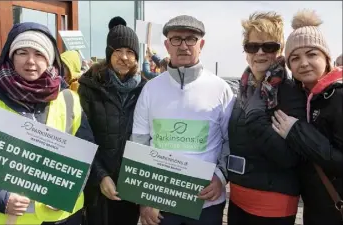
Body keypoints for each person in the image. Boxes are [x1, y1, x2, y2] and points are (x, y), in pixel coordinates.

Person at [0, 22, 94, 225]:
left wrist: (68, 191)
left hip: (63, 218)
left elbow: (84, 155)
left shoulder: (69, 99)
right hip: (9, 218)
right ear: (10, 55)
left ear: (51, 58)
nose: (31, 62)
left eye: (39, 54)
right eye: (22, 52)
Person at [131, 15, 235, 225]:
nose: (184, 45)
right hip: (160, 203)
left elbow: (230, 141)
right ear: (167, 45)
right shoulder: (150, 89)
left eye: (191, 39)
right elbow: (139, 144)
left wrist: (221, 178)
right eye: (176, 39)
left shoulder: (221, 89)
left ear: (201, 44)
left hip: (207, 202)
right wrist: (144, 199)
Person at [226, 12, 306, 225]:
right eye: (252, 47)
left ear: (279, 50)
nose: (259, 53)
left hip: (273, 208)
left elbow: (290, 158)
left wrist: (256, 119)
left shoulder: (291, 93)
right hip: (237, 201)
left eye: (268, 46)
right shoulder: (242, 92)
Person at [271, 10, 343, 225]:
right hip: (316, 208)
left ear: (326, 58)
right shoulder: (305, 96)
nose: (303, 63)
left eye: (312, 54)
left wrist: (298, 132)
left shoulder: (338, 96)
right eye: (295, 58)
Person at [77, 16, 146, 225]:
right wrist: (100, 175)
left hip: (131, 183)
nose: (124, 57)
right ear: (109, 54)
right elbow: (82, 136)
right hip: (98, 183)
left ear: (136, 57)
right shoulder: (90, 86)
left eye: (130, 52)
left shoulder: (145, 89)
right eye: (118, 51)